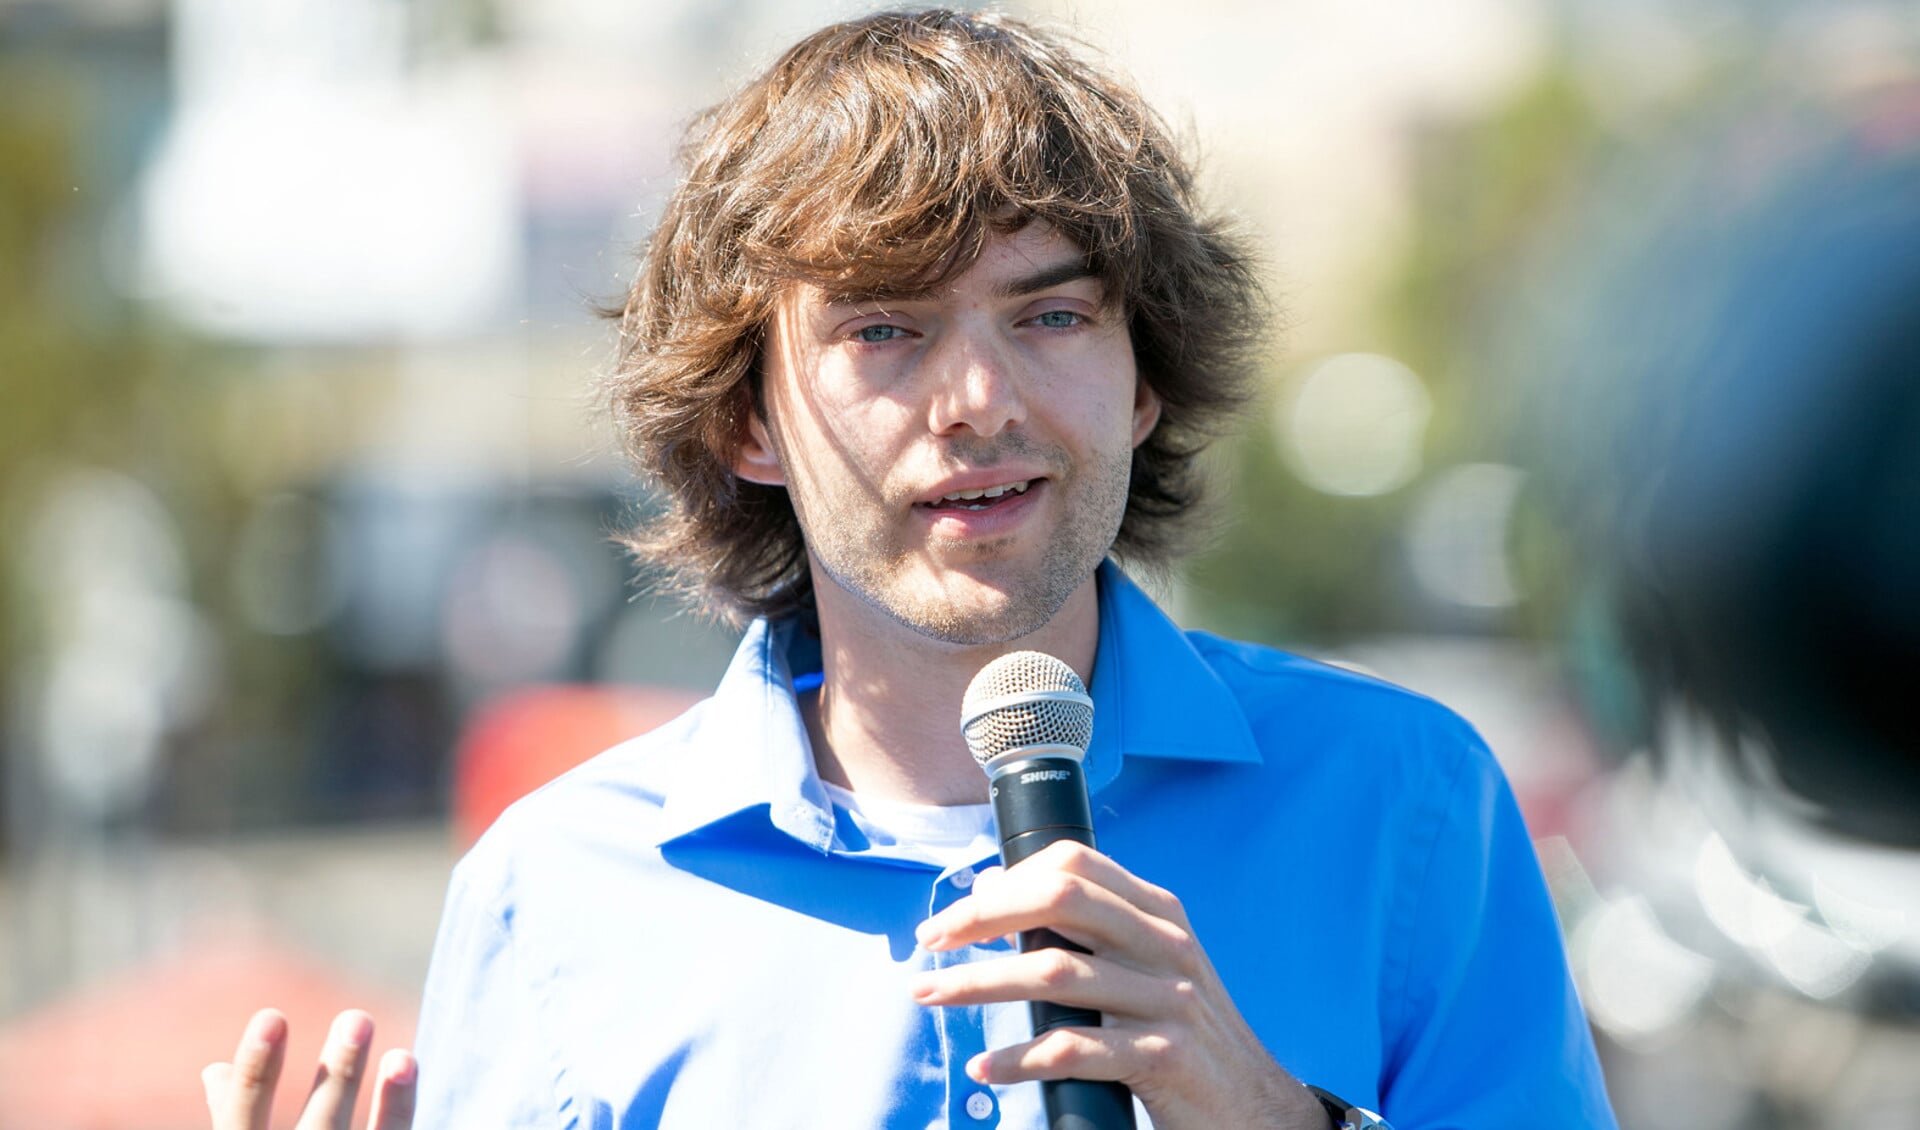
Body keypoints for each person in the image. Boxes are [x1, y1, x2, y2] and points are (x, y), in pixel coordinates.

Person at [203, 10, 1616, 1129]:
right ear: (747, 418)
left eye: (1051, 312)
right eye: (886, 331)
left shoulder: (1407, 806)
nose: (980, 399)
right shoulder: (553, 889)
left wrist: (1271, 1119)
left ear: (1143, 381)